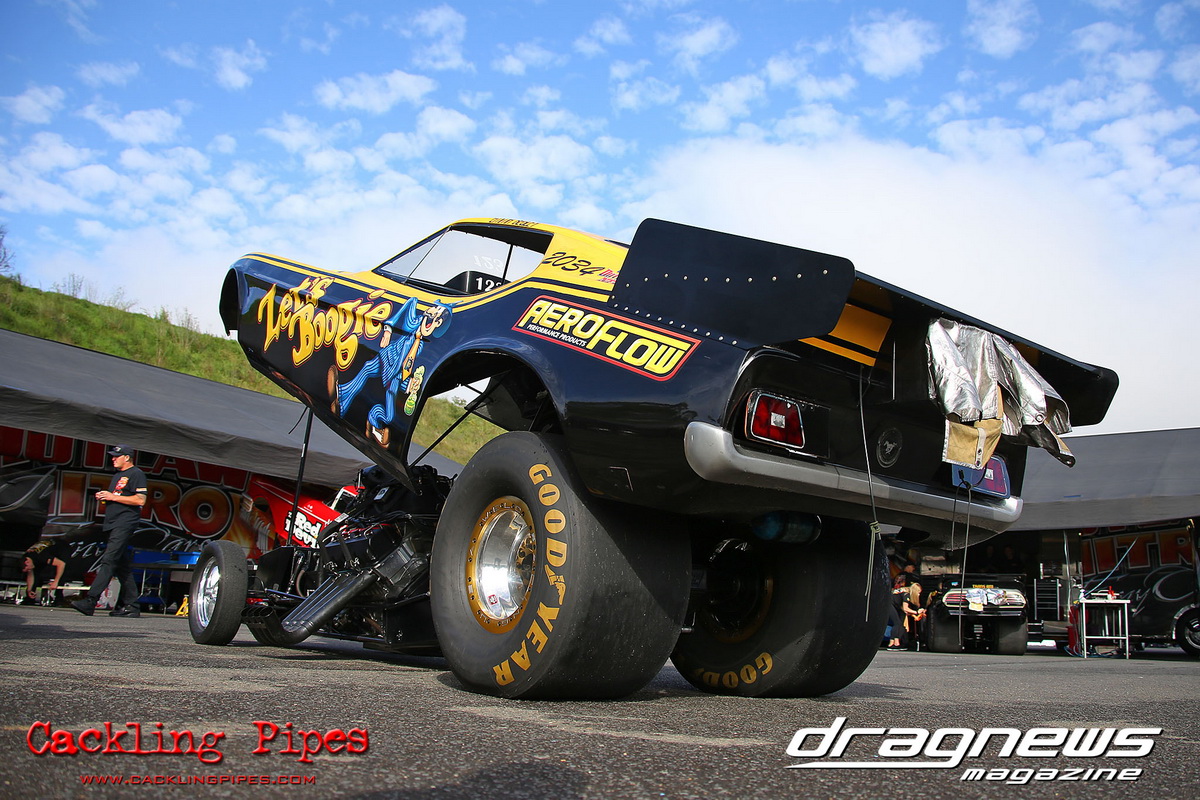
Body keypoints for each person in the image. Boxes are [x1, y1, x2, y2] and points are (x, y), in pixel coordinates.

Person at [71, 445, 148, 618]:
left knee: (109, 560)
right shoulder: (118, 475)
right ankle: (131, 606)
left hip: (124, 523)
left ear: (127, 457)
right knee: (121, 566)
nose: (113, 459)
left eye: (116, 456)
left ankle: (90, 600)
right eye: (112, 456)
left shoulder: (136, 474)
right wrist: (106, 497)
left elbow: (140, 500)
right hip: (112, 523)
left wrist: (112, 496)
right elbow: (120, 497)